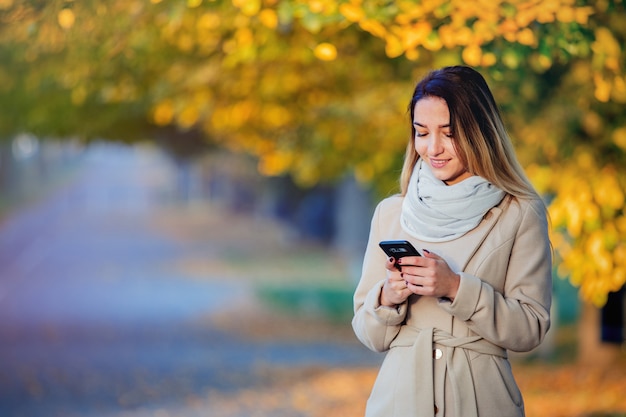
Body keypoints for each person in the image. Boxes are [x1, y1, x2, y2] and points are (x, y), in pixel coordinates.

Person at [352, 66, 552, 417]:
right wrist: (389, 296)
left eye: (449, 132)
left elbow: (530, 328)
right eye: (421, 132)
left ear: (479, 132)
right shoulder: (391, 213)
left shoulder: (519, 212)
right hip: (398, 402)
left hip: (482, 401)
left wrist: (455, 287)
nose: (433, 148)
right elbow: (368, 333)